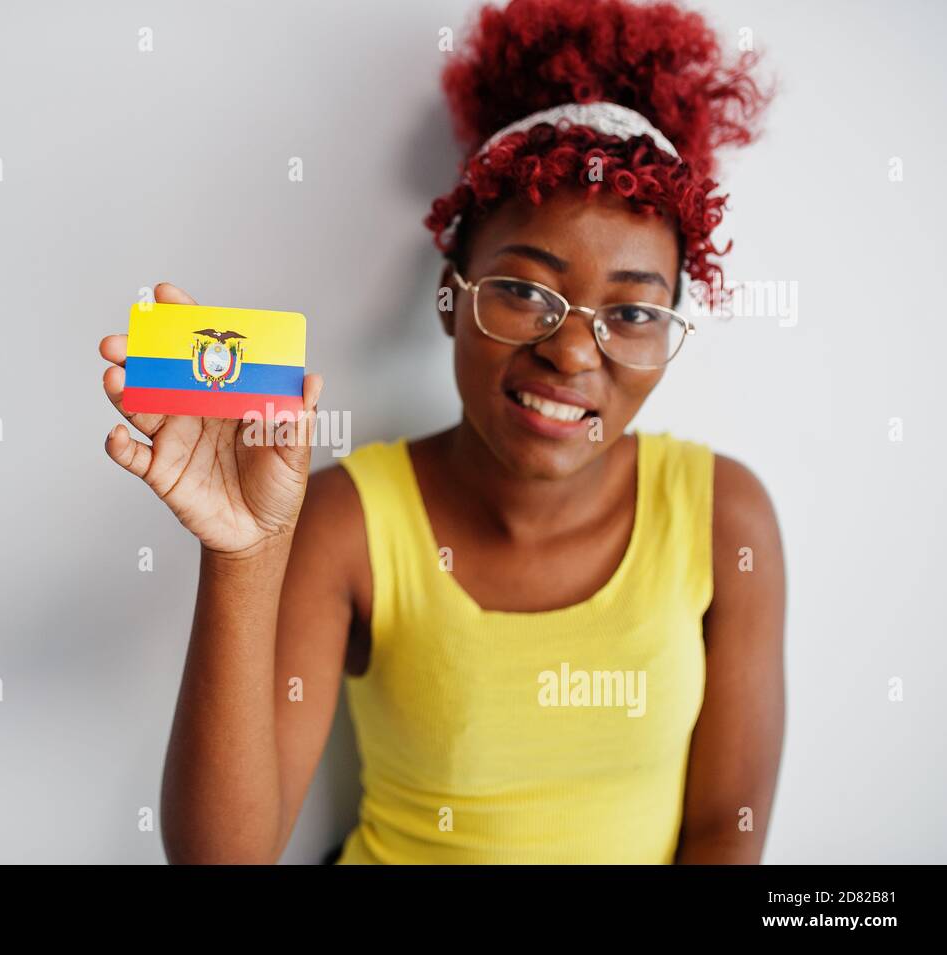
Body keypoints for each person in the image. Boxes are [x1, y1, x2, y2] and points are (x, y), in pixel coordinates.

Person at [99, 0, 783, 864]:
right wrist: (244, 555)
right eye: (525, 291)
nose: (572, 350)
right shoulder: (351, 518)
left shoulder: (728, 520)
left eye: (635, 311)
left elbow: (727, 832)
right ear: (451, 296)